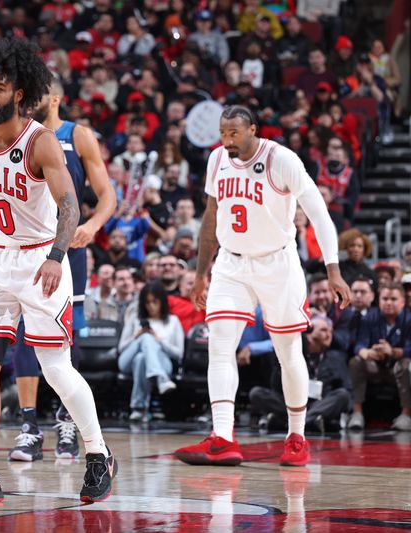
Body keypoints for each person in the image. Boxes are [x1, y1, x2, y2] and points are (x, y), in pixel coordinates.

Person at [0, 37, 117, 505]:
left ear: (19, 94)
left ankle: (98, 453)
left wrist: (56, 259)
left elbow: (70, 205)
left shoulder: (40, 142)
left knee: (55, 367)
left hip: (40, 257)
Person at [174, 105, 350, 468]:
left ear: (253, 129)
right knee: (220, 345)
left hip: (277, 263)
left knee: (288, 351)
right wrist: (201, 272)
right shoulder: (217, 160)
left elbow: (318, 213)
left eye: (234, 133)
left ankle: (297, 436)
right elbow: (211, 216)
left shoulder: (281, 159)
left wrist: (333, 270)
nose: (227, 141)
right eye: (223, 134)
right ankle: (223, 437)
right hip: (232, 262)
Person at [8, 78, 116, 463]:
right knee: (24, 333)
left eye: (36, 94)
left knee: (67, 338)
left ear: (55, 98)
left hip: (67, 249)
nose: (29, 100)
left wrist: (91, 226)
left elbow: (107, 196)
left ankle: (68, 420)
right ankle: (28, 426)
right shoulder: (16, 135)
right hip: (27, 250)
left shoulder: (78, 135)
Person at [249, 315, 351, 433]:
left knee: (343, 395)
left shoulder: (335, 358)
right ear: (309, 332)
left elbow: (346, 389)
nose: (329, 334)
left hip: (319, 405)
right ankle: (310, 421)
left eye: (330, 331)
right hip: (291, 402)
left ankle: (293, 422)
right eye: (323, 330)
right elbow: (276, 386)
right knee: (256, 393)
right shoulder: (293, 353)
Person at [347, 283, 411, 431]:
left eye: (393, 299)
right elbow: (359, 345)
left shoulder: (408, 319)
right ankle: (357, 413)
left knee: (407, 364)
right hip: (375, 366)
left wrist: (393, 351)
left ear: (402, 302)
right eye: (385, 298)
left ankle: (406, 414)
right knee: (356, 362)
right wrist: (367, 352)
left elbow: (409, 349)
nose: (388, 302)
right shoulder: (370, 318)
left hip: (398, 367)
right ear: (379, 300)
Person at [118, 282, 184, 421]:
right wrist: (137, 337)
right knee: (145, 338)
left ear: (162, 301)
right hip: (127, 361)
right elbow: (121, 348)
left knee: (141, 359)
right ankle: (161, 380)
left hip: (163, 362)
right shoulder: (135, 319)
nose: (151, 306)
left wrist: (159, 340)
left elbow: (179, 354)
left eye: (155, 302)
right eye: (147, 302)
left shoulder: (173, 321)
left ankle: (139, 408)